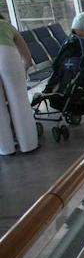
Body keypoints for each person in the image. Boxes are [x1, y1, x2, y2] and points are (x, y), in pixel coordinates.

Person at [0, 17, 37, 155]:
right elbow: (25, 53)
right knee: (19, 101)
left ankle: (5, 149)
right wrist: (25, 67)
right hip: (7, 56)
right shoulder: (5, 25)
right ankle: (29, 145)